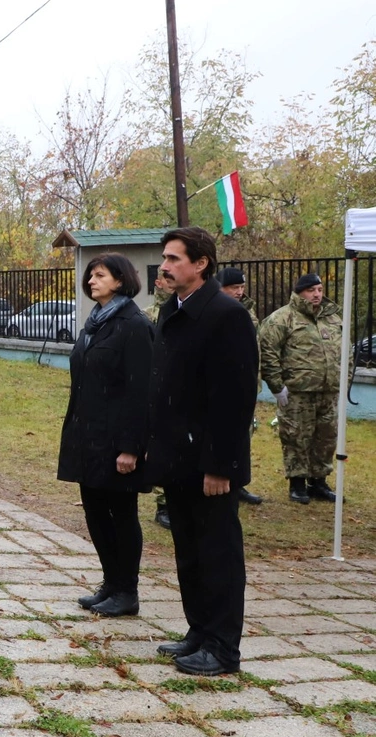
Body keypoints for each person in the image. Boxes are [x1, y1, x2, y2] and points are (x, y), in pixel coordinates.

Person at [146, 227, 258, 677]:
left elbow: (234, 399)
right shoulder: (173, 310)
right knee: (188, 550)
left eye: (174, 259)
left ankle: (223, 647)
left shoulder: (225, 315)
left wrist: (221, 465)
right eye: (165, 258)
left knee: (218, 552)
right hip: (177, 456)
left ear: (201, 264)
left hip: (209, 460)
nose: (165, 266)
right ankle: (199, 632)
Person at [57, 254, 153, 618]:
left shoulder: (133, 325)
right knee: (96, 512)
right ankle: (111, 583)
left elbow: (140, 391)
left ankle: (127, 589)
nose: (92, 280)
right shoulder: (94, 324)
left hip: (117, 442)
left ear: (120, 279)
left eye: (100, 275)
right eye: (90, 275)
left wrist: (131, 447)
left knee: (121, 514)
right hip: (88, 437)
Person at [258, 272, 344, 505]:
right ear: (299, 292)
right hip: (297, 393)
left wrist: (342, 378)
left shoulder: (333, 318)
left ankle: (319, 481)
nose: (316, 295)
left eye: (319, 290)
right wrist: (277, 387)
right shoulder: (282, 319)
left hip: (328, 390)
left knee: (326, 437)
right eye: (311, 290)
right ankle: (297, 484)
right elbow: (269, 354)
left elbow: (344, 350)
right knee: (297, 437)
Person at [215, 267, 264, 506]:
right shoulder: (212, 312)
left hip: (246, 387)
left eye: (242, 287)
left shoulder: (248, 313)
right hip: (219, 391)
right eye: (234, 287)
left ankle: (238, 482)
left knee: (243, 438)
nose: (239, 292)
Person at [145, 273, 174, 531]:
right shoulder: (147, 316)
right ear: (158, 283)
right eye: (166, 277)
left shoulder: (190, 312)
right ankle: (163, 505)